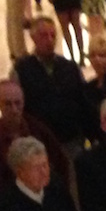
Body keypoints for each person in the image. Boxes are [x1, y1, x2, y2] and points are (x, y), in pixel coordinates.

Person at [0, 77, 71, 211]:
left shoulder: (38, 130)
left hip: (44, 200)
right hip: (8, 209)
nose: (14, 109)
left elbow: (61, 164)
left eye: (18, 103)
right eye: (8, 104)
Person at [12, 16, 91, 152]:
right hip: (38, 143)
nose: (49, 40)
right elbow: (17, 108)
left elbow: (83, 101)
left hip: (71, 140)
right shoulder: (21, 70)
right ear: (33, 38)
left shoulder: (70, 67)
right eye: (44, 35)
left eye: (53, 35)